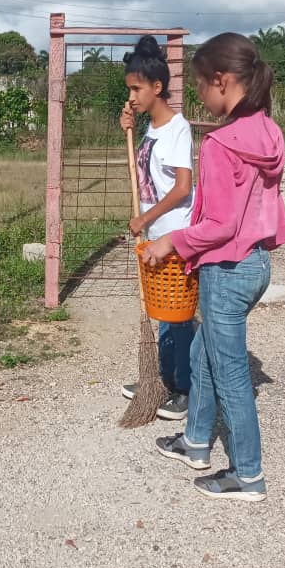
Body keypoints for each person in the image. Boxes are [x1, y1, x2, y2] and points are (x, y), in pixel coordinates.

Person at [140, 32, 285, 501]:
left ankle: (247, 475)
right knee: (203, 355)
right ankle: (194, 442)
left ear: (221, 81)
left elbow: (219, 225)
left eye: (201, 88)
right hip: (256, 264)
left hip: (227, 269)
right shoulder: (267, 131)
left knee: (229, 373)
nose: (199, 100)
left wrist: (171, 241)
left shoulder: (221, 143)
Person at [120, 35, 194, 421]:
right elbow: (145, 176)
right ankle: (161, 378)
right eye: (129, 89)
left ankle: (186, 388)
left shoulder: (178, 128)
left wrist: (146, 219)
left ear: (157, 87)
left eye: (137, 88)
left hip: (175, 234)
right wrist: (127, 130)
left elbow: (183, 187)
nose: (131, 95)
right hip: (152, 232)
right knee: (161, 309)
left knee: (177, 313)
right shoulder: (149, 128)